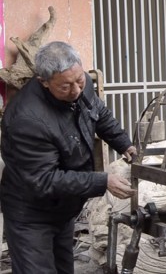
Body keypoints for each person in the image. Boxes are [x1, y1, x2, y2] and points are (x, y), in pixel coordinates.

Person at [0, 41, 137, 274]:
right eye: (65, 87)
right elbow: (44, 180)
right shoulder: (27, 120)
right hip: (31, 215)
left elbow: (99, 115)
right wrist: (102, 181)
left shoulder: (81, 84)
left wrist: (125, 145)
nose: (75, 91)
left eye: (79, 81)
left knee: (64, 269)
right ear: (43, 82)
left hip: (63, 208)